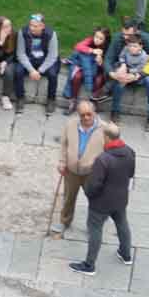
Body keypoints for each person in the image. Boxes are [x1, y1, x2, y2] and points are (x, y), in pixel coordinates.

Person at [68, 122, 135, 274]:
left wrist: (89, 194)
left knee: (95, 230)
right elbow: (130, 173)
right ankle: (126, 255)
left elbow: (94, 185)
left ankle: (89, 265)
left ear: (107, 137)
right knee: (122, 224)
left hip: (101, 203)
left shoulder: (103, 159)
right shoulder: (130, 152)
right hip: (120, 198)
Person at [52, 98, 105, 240]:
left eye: (89, 114)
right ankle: (65, 221)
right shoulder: (70, 125)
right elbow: (64, 144)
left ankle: (94, 226)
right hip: (72, 171)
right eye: (82, 115)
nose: (86, 117)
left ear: (94, 113)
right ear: (78, 114)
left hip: (92, 172)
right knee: (68, 198)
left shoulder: (104, 129)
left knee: (95, 201)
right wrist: (62, 161)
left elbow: (109, 152)